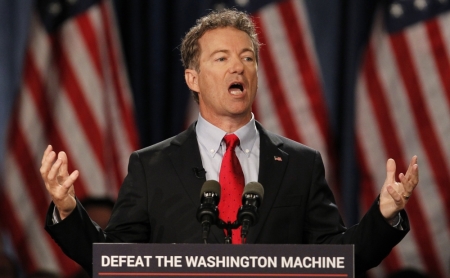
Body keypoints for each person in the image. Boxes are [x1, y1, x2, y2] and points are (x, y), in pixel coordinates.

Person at [40, 8, 419, 277]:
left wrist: (384, 215)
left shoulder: (301, 163)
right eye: (221, 58)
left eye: (247, 58)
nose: (238, 67)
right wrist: (67, 209)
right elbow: (113, 259)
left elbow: (337, 257)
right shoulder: (151, 165)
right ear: (193, 78)